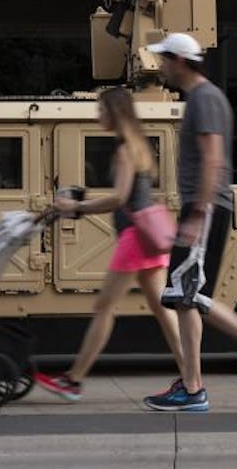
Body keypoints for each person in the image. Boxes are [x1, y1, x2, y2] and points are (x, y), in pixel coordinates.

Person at [140, 32, 237, 413]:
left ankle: (206, 381)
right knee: (185, 296)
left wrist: (196, 213)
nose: (160, 66)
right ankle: (194, 384)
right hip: (204, 207)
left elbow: (213, 159)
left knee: (186, 295)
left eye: (163, 59)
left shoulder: (205, 99)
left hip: (204, 208)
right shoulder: (204, 98)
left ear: (179, 60)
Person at [33, 87, 186, 402]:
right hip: (147, 236)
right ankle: (191, 377)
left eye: (101, 109)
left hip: (134, 237)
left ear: (115, 112)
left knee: (104, 307)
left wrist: (75, 208)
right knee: (162, 309)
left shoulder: (124, 149)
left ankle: (73, 381)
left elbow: (119, 197)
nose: (97, 115)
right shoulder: (137, 145)